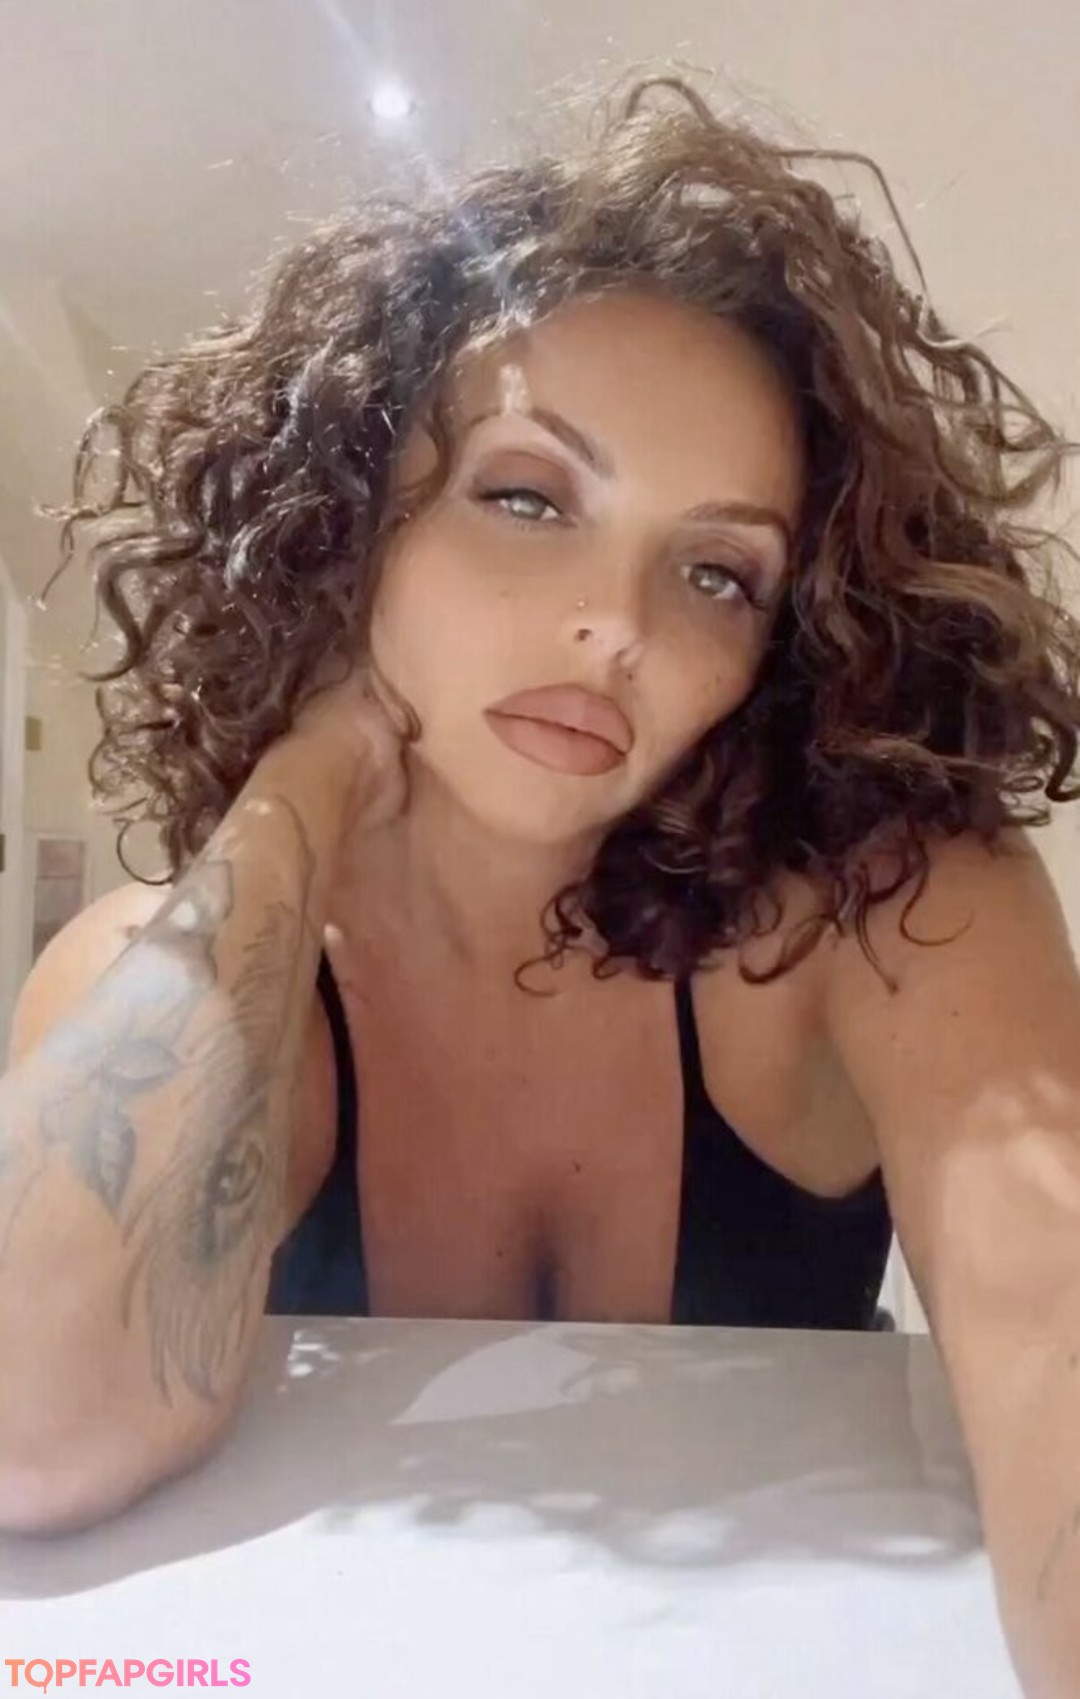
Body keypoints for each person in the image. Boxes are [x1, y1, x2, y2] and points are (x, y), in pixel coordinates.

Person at [1, 70, 1079, 1691]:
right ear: (349, 525)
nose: (616, 624)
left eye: (717, 571)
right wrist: (308, 782)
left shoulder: (887, 919)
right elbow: (29, 1434)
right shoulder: (162, 964)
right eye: (526, 496)